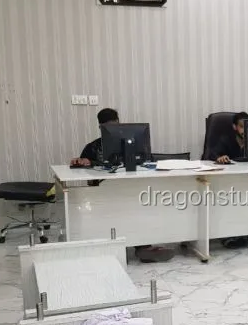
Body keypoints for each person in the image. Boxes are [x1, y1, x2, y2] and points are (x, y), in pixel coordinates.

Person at [71, 108, 173, 263]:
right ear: (100, 127)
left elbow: (145, 160)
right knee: (120, 207)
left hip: (128, 189)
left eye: (115, 125)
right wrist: (85, 162)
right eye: (108, 126)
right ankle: (123, 246)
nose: (113, 129)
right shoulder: (92, 147)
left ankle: (142, 247)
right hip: (103, 194)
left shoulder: (131, 143)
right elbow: (85, 173)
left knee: (134, 206)